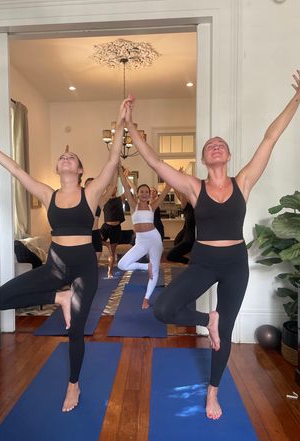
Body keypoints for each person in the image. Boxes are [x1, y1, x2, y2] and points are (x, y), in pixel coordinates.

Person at [123, 71, 300, 419]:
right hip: (203, 259)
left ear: (228, 155)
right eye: (209, 146)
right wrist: (129, 126)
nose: (215, 146)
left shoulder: (243, 181)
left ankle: (213, 392)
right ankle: (209, 318)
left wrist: (296, 100)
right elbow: (155, 162)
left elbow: (270, 138)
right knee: (163, 309)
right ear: (204, 160)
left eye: (220, 144)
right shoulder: (193, 187)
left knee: (228, 330)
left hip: (234, 261)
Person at [0, 99, 127, 413]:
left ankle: (73, 383)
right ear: (58, 168)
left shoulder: (91, 192)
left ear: (80, 170)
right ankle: (59, 298)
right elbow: (14, 168)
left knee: (76, 331)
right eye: (62, 157)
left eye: (72, 157)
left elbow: (112, 160)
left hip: (84, 264)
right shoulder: (47, 194)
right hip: (55, 264)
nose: (66, 158)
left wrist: (122, 121)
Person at [117, 164, 170, 309]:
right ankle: (146, 266)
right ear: (138, 193)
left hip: (154, 239)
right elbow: (127, 188)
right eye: (142, 191)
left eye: (147, 192)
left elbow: (165, 191)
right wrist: (121, 173)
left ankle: (146, 298)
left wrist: (169, 175)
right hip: (141, 241)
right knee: (122, 264)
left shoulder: (152, 206)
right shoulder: (133, 204)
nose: (145, 193)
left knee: (155, 271)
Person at [100, 169, 126, 278]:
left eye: (115, 188)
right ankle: (107, 244)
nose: (113, 189)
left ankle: (109, 272)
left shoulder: (120, 199)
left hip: (116, 228)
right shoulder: (103, 200)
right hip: (106, 227)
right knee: (96, 239)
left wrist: (123, 177)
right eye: (110, 188)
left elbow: (128, 190)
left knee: (112, 252)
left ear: (116, 189)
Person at [84, 177, 116, 262]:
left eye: (93, 185)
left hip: (95, 233)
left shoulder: (100, 200)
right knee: (84, 262)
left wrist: (116, 169)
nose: (91, 187)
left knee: (95, 261)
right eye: (89, 185)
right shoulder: (79, 200)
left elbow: (112, 187)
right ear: (84, 187)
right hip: (84, 234)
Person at [166, 189, 195, 264]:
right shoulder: (186, 205)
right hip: (187, 236)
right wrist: (173, 183)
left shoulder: (200, 206)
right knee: (176, 242)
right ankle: (191, 262)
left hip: (192, 240)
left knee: (170, 256)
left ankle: (192, 263)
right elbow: (180, 193)